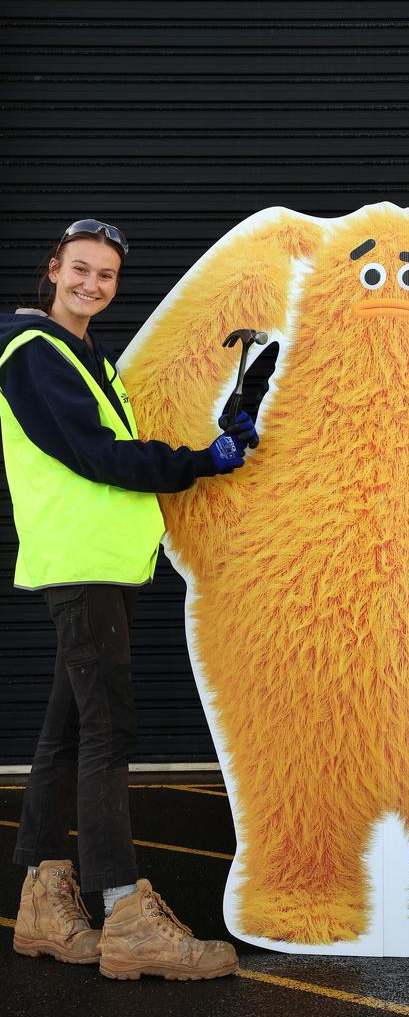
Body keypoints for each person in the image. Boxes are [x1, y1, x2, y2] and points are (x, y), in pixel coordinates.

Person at [0, 219, 273, 980]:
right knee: (109, 733)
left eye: (106, 276)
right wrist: (198, 463)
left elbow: (114, 443)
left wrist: (215, 447)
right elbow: (94, 454)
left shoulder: (86, 359)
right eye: (80, 270)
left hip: (104, 563)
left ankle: (43, 903)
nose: (92, 284)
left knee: (66, 733)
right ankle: (125, 913)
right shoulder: (31, 353)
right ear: (52, 270)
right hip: (82, 563)